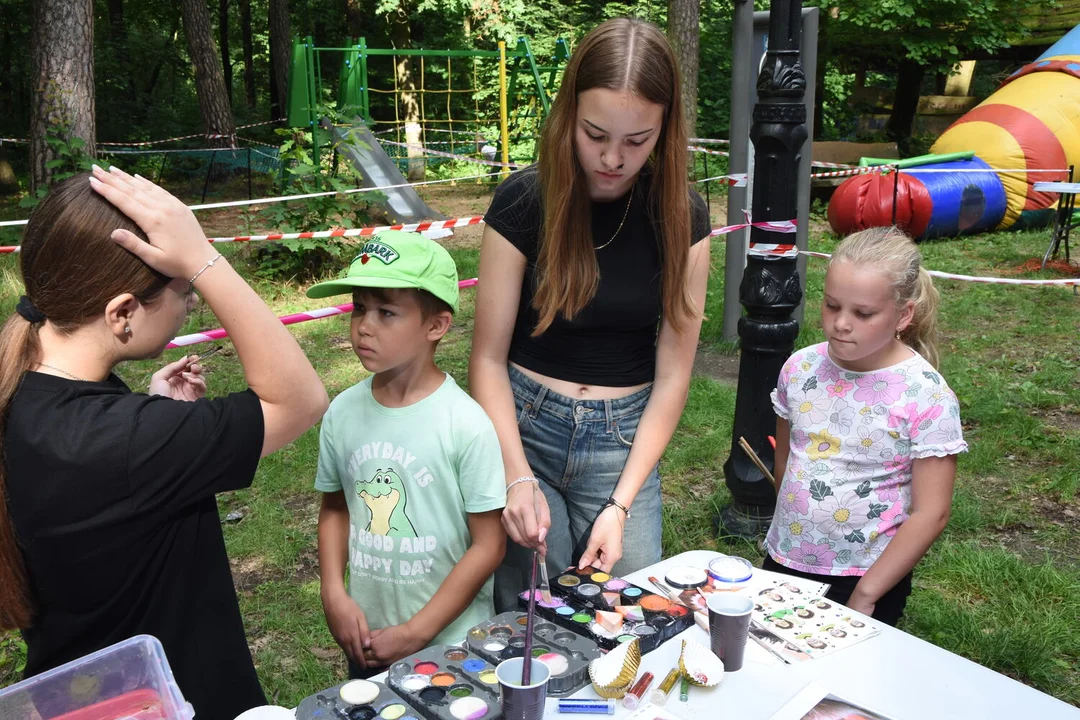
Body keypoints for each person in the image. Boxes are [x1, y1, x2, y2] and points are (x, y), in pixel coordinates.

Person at [0, 167, 329, 720]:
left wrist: (152, 414)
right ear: (123, 313)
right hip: (164, 703)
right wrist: (206, 259)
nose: (192, 305)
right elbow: (299, 401)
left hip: (88, 693)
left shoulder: (29, 394)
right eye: (185, 291)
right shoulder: (125, 440)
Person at [469, 16, 712, 612]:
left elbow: (675, 371)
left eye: (638, 141)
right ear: (567, 116)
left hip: (623, 441)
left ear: (666, 129)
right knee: (528, 624)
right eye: (594, 133)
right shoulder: (525, 199)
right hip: (524, 427)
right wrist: (515, 473)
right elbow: (487, 358)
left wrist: (622, 503)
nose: (612, 158)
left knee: (628, 621)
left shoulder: (683, 214)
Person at [309, 231, 506, 677]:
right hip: (369, 640)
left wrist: (418, 631)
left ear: (435, 325)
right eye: (359, 308)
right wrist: (334, 594)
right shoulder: (342, 412)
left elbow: (489, 545)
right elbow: (335, 507)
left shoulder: (465, 424)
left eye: (386, 312)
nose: (363, 325)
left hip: (452, 647)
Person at [764, 226, 967, 626]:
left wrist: (868, 592)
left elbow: (932, 512)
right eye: (831, 305)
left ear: (903, 315)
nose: (841, 323)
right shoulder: (800, 367)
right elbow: (786, 460)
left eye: (862, 313)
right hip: (784, 558)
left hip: (864, 577)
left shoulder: (925, 395)